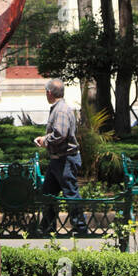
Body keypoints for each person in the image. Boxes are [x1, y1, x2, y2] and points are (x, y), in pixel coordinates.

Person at [35, 80, 87, 235]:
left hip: (66, 160)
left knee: (70, 193)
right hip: (58, 159)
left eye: (46, 92)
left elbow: (60, 134)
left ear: (49, 93)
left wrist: (45, 141)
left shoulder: (61, 110)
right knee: (48, 193)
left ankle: (80, 228)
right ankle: (48, 227)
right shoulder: (59, 109)